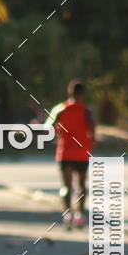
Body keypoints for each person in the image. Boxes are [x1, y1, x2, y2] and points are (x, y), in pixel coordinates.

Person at [47, 80, 95, 229]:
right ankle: (80, 215)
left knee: (66, 186)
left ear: (69, 92)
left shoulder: (60, 109)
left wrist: (57, 137)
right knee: (81, 185)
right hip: (82, 153)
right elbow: (93, 132)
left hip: (65, 152)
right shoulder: (87, 111)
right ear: (83, 94)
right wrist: (89, 145)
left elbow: (48, 127)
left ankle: (67, 215)